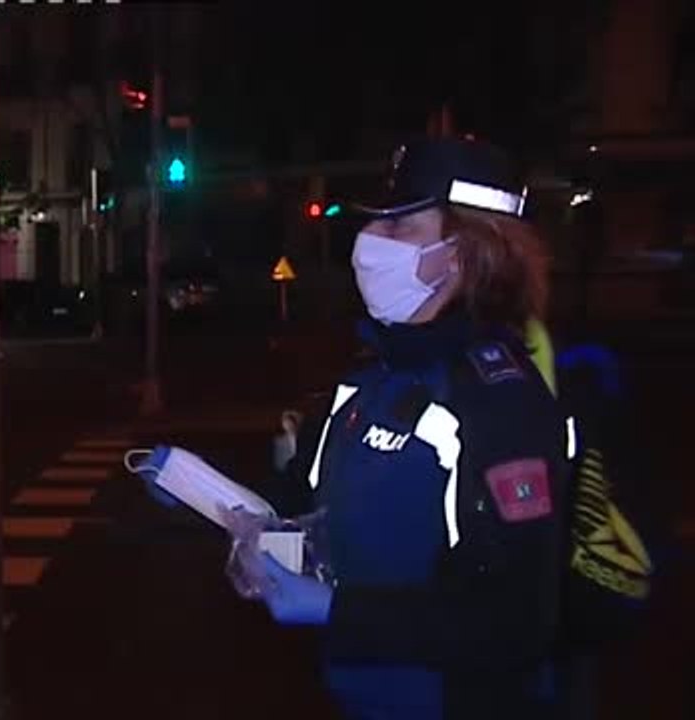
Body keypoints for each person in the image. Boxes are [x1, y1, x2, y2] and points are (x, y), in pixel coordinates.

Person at [224, 137, 574, 719]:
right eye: (374, 223)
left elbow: (516, 620)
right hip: (362, 698)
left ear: (461, 253)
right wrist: (221, 507)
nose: (370, 240)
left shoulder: (496, 401)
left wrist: (337, 611)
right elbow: (305, 504)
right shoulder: (369, 383)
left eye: (399, 226)